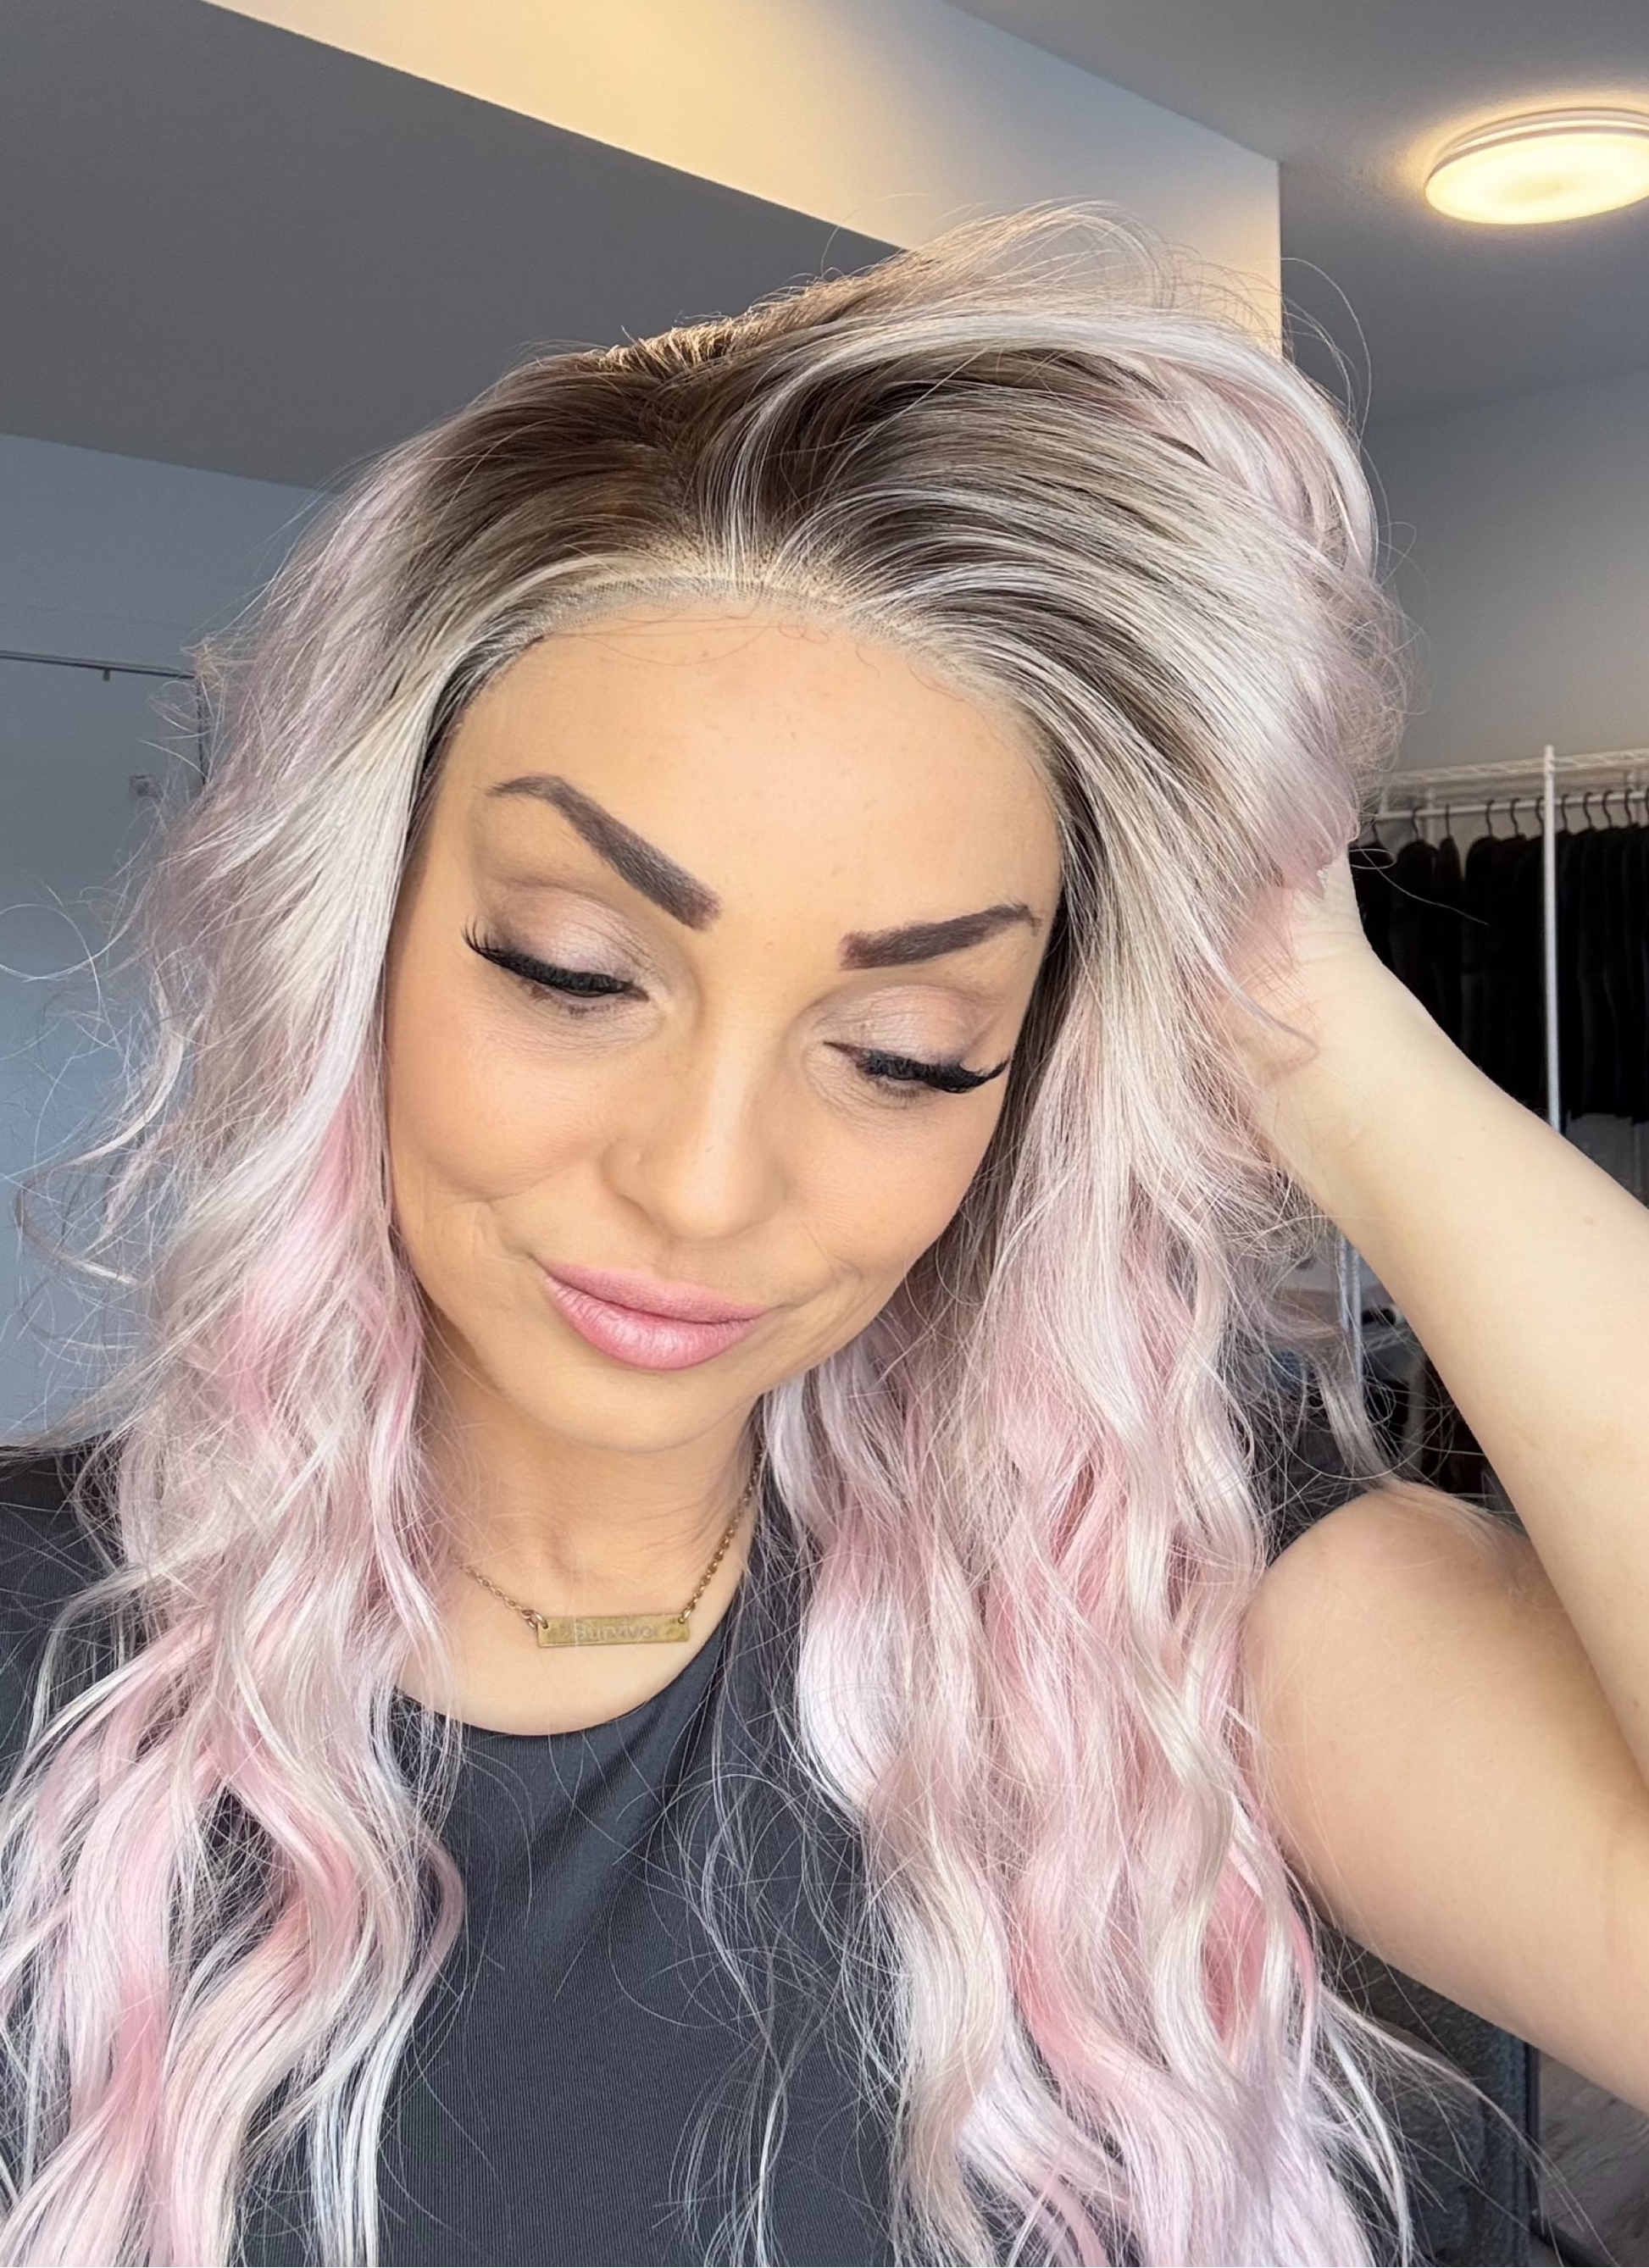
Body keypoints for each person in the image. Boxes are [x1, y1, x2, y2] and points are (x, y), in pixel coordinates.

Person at [0, 208, 1645, 2268]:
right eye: (573, 969)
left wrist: (1335, 1042)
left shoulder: (1149, 1588)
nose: (703, 1185)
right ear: (361, 936)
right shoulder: (41, 1667)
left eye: (901, 1051)